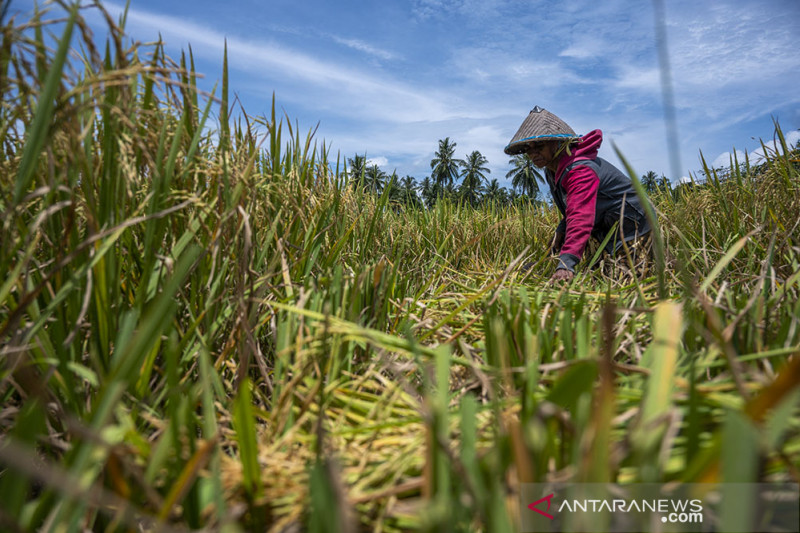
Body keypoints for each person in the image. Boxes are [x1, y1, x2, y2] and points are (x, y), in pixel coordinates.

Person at [504, 106, 653, 283]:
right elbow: (572, 208)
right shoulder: (552, 170)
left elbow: (581, 216)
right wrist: (561, 229)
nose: (533, 153)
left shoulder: (580, 170)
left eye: (540, 146)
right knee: (596, 275)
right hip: (606, 225)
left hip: (633, 223)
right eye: (528, 148)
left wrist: (566, 265)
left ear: (558, 144)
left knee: (627, 279)